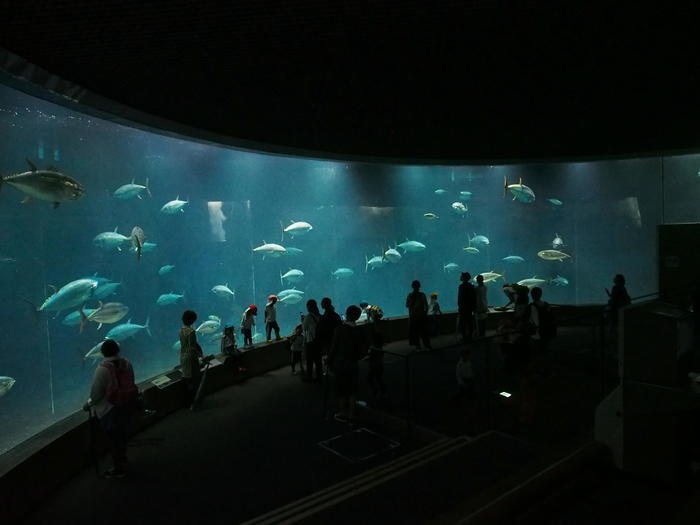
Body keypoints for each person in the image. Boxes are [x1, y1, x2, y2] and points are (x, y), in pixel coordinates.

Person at [83, 339, 138, 479]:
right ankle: (123, 459)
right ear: (118, 350)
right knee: (122, 435)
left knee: (113, 439)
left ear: (101, 352)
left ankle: (119, 469)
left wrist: (88, 404)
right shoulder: (127, 363)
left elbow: (96, 394)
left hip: (110, 410)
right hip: (127, 405)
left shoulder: (102, 369)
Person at [327, 305, 368, 423]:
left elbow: (333, 348)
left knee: (341, 389)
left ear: (347, 314)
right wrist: (358, 357)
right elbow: (365, 347)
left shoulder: (339, 329)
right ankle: (352, 414)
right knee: (352, 389)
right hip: (353, 364)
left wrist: (329, 361)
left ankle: (343, 413)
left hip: (340, 364)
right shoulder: (360, 330)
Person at [526, 287, 557, 375]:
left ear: (532, 295)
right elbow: (552, 318)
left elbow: (527, 319)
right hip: (547, 332)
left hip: (536, 334)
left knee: (536, 352)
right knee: (545, 351)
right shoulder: (547, 304)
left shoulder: (531, 306)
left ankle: (538, 370)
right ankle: (546, 369)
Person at [180, 310, 203, 404]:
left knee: (187, 378)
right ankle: (194, 400)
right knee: (194, 379)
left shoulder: (181, 329)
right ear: (192, 320)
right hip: (191, 358)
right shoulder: (191, 331)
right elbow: (192, 347)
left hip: (183, 356)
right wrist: (200, 354)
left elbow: (184, 344)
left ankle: (187, 401)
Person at [406, 280, 432, 351]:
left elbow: (407, 305)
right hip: (418, 316)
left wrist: (424, 313)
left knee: (420, 332)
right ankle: (425, 346)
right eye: (415, 286)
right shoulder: (414, 295)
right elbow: (426, 306)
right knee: (422, 332)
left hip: (417, 316)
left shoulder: (414, 295)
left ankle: (420, 346)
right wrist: (425, 313)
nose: (416, 287)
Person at [303, 299, 322, 382]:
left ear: (309, 307)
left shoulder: (308, 317)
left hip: (311, 341)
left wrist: (303, 320)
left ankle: (309, 376)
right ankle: (319, 377)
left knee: (309, 360)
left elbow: (304, 328)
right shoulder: (320, 315)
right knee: (318, 360)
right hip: (319, 341)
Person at [457, 272, 476, 342]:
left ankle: (464, 337)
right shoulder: (471, 286)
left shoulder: (461, 286)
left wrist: (459, 306)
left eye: (461, 276)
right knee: (469, 322)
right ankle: (470, 336)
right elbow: (473, 297)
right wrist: (473, 307)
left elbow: (460, 298)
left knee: (463, 323)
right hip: (469, 308)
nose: (460, 277)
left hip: (463, 307)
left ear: (464, 278)